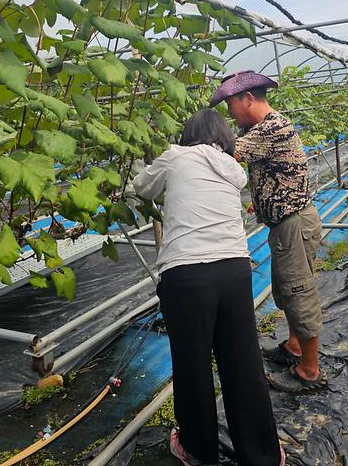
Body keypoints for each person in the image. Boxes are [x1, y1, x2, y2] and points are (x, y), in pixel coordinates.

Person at [133, 108, 284, 466]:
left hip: (187, 274)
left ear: (189, 134)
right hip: (234, 269)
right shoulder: (233, 169)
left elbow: (143, 188)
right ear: (224, 137)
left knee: (193, 365)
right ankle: (262, 454)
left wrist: (134, 170)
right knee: (242, 362)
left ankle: (198, 449)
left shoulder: (175, 156)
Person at [210, 71, 325, 394]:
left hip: (294, 224)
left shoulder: (272, 127)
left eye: (231, 104)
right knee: (286, 290)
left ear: (248, 98)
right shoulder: (260, 127)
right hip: (285, 223)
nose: (229, 112)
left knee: (299, 292)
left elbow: (228, 154)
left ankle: (310, 371)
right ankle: (294, 347)